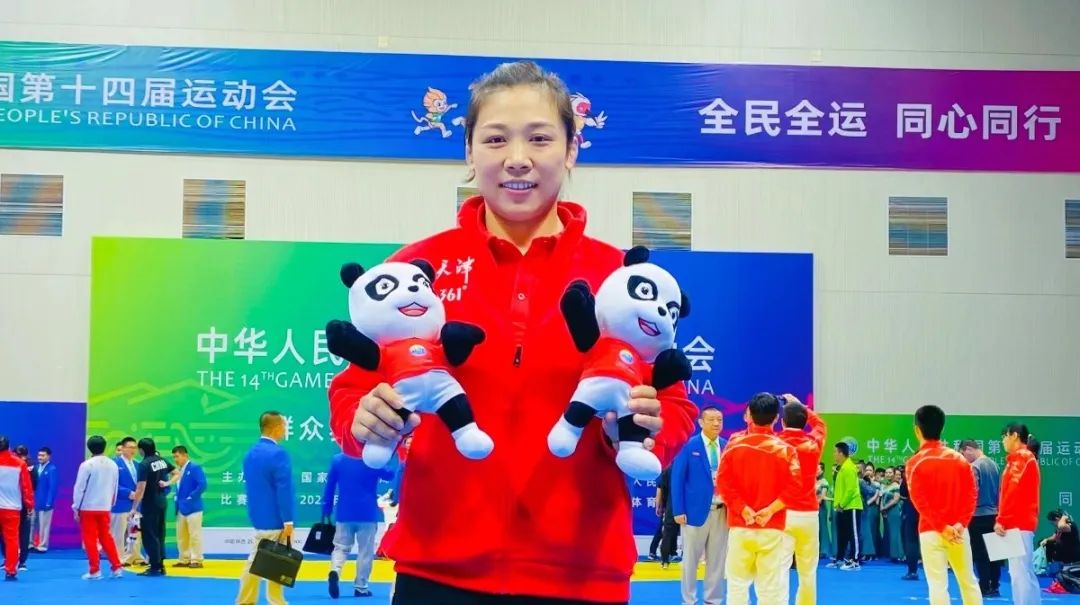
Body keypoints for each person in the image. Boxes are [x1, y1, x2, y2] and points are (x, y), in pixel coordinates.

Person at [327, 60, 697, 605]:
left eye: (540, 138)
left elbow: (675, 403)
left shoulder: (621, 279)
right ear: (469, 151)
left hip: (582, 576)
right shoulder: (415, 269)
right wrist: (363, 420)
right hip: (437, 573)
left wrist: (647, 427)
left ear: (571, 150)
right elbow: (353, 389)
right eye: (496, 138)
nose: (517, 158)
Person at [716, 393, 801, 605]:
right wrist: (771, 510)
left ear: (749, 415)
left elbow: (723, 483)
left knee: (737, 586)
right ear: (776, 418)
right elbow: (796, 488)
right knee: (770, 589)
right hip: (772, 526)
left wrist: (742, 509)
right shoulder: (786, 449)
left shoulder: (734, 444)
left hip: (740, 525)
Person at [904, 405, 982, 605]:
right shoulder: (959, 460)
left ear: (917, 430)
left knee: (937, 586)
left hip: (931, 530)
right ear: (942, 428)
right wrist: (961, 524)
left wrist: (941, 527)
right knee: (968, 582)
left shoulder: (914, 463)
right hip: (958, 531)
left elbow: (920, 502)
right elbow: (971, 495)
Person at [671, 405, 728, 605]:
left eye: (719, 420)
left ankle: (713, 600)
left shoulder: (726, 446)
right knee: (690, 561)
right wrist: (678, 510)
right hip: (693, 512)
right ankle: (689, 600)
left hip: (722, 512)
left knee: (717, 561)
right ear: (701, 422)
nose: (716, 423)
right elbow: (677, 479)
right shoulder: (689, 446)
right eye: (711, 420)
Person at [236, 411, 295, 605]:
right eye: (284, 426)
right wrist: (288, 520)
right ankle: (247, 601)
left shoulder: (250, 453)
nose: (285, 430)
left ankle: (274, 600)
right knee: (261, 561)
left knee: (272, 561)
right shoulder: (278, 453)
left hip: (258, 515)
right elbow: (283, 489)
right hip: (275, 518)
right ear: (276, 428)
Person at [775, 394, 827, 605]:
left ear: (782, 421)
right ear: (805, 420)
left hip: (782, 511)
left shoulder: (775, 442)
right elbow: (820, 424)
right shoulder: (814, 442)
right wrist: (800, 404)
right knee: (808, 570)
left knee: (780, 567)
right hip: (808, 513)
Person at [322, 452, 393, 599]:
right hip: (367, 513)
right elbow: (389, 475)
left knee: (340, 548)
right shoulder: (372, 460)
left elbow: (329, 486)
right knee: (365, 552)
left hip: (344, 513)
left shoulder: (338, 459)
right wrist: (383, 457)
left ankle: (335, 571)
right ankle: (361, 587)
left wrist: (326, 509)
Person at [996, 422, 1042, 605]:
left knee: (1019, 573)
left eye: (1004, 437)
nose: (1003, 441)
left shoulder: (1022, 457)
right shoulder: (1019, 459)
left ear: (1014, 435)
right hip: (1017, 522)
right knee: (1022, 572)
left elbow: (1011, 492)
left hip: (1017, 522)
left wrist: (1001, 519)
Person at [72, 435, 123, 580]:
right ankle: (117, 567)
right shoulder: (113, 464)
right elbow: (115, 486)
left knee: (90, 539)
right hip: (105, 506)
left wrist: (76, 508)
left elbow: (79, 488)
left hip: (88, 507)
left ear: (89, 448)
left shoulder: (87, 465)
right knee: (106, 537)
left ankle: (94, 570)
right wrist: (111, 503)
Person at [960, 439, 1003, 597]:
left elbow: (973, 492)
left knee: (980, 553)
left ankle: (984, 586)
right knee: (995, 553)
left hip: (978, 515)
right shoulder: (994, 464)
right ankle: (995, 585)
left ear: (969, 449)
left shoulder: (974, 467)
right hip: (994, 514)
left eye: (963, 454)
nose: (964, 458)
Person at [130, 437, 174, 576]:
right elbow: (177, 473)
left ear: (141, 450)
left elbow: (141, 488)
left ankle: (155, 567)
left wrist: (134, 508)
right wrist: (167, 483)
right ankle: (160, 565)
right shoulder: (162, 460)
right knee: (160, 533)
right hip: (162, 501)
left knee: (150, 535)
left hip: (150, 504)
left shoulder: (144, 464)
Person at [0, 436, 33, 581]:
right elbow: (26, 487)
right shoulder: (20, 463)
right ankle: (11, 570)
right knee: (12, 540)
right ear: (9, 446)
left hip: (10, 508)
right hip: (12, 509)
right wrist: (29, 505)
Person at [169, 445, 207, 568]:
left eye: (177, 456)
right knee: (181, 535)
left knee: (194, 535)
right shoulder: (178, 471)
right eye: (174, 457)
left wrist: (191, 497)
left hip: (193, 508)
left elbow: (202, 484)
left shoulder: (194, 467)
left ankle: (196, 559)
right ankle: (184, 558)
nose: (175, 459)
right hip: (181, 508)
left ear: (185, 455)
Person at [112, 437, 144, 566]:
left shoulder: (138, 464)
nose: (133, 450)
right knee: (118, 534)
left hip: (136, 505)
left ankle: (135, 556)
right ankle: (118, 557)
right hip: (120, 504)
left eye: (135, 448)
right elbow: (112, 484)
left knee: (135, 532)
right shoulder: (114, 464)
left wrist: (139, 494)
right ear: (123, 448)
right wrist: (128, 493)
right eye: (130, 447)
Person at [831, 441, 863, 570]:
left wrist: (842, 504)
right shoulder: (842, 467)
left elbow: (850, 490)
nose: (834, 454)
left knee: (853, 534)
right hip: (842, 507)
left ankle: (855, 561)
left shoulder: (849, 467)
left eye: (835, 452)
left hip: (852, 506)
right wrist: (838, 505)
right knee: (843, 534)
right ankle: (840, 559)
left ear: (841, 453)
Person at [13, 445, 36, 572]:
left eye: (22, 455)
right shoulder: (10, 465)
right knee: (7, 535)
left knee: (24, 534)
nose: (20, 457)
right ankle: (9, 559)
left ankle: (22, 561)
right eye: (18, 455)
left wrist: (29, 504)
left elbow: (33, 486)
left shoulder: (30, 467)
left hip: (23, 504)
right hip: (10, 504)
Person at [897, 462, 922, 580]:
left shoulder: (911, 470)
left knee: (911, 540)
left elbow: (903, 492)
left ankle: (912, 571)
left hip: (912, 508)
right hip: (928, 509)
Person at [31, 446, 58, 552]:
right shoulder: (35, 467)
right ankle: (31, 544)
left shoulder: (52, 469)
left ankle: (42, 546)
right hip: (34, 501)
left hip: (45, 502)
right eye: (39, 455)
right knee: (32, 524)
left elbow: (52, 487)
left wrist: (49, 502)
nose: (40, 457)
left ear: (48, 456)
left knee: (44, 525)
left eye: (43, 455)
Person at [815, 464, 833, 559]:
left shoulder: (824, 482)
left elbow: (821, 498)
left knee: (822, 528)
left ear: (822, 471)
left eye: (818, 469)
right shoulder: (812, 481)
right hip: (812, 510)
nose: (816, 470)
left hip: (821, 508)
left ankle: (823, 550)